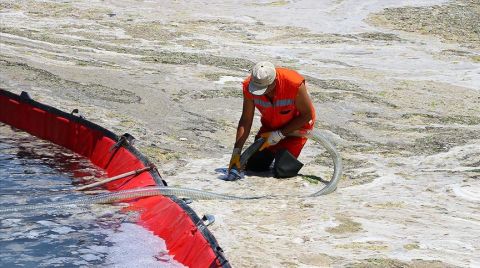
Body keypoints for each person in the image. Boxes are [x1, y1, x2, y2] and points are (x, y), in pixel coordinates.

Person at [228, 61, 316, 178]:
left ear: (273, 82)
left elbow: (307, 115)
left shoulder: (293, 83)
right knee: (254, 166)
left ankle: (282, 156)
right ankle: (274, 153)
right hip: (269, 129)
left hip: (296, 129)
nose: (259, 93)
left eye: (263, 89)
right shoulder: (249, 86)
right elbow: (245, 120)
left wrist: (280, 134)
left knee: (283, 171)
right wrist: (236, 152)